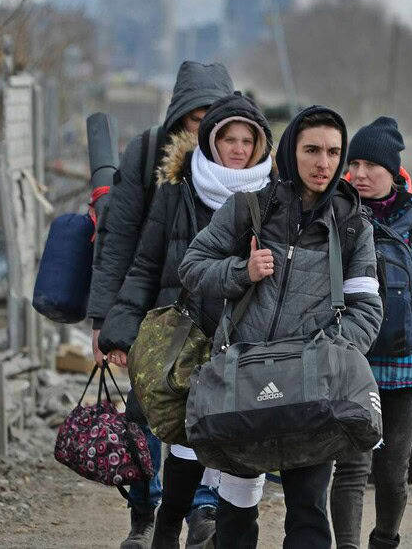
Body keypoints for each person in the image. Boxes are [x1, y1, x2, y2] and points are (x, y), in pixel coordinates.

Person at [179, 106, 383, 548]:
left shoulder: (351, 225)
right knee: (235, 513)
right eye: (311, 150)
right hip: (244, 383)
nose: (323, 163)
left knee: (309, 512)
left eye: (333, 152)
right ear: (290, 152)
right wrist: (242, 271)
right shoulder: (248, 208)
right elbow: (192, 268)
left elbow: (367, 308)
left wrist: (330, 355)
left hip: (311, 392)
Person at [98, 93, 274, 549]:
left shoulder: (273, 195)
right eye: (228, 139)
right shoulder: (178, 188)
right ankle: (161, 523)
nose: (237, 149)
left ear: (260, 145)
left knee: (231, 432)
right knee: (174, 430)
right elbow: (145, 262)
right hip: (180, 334)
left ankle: (210, 519)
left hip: (243, 336)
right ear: (211, 141)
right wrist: (120, 327)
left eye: (246, 140)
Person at [88, 61, 233, 549]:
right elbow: (120, 240)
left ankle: (200, 513)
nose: (206, 126)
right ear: (177, 119)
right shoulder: (151, 156)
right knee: (146, 409)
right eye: (196, 117)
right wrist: (107, 322)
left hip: (220, 314)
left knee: (207, 411)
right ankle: (143, 512)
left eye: (215, 115)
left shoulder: (247, 165)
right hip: (155, 310)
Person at [330, 117, 412, 549]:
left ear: (393, 171)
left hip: (410, 363)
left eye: (372, 165)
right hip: (353, 359)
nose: (360, 174)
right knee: (350, 467)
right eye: (355, 164)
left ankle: (384, 539)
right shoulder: (335, 212)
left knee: (391, 469)